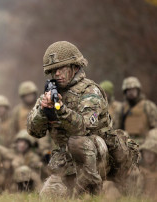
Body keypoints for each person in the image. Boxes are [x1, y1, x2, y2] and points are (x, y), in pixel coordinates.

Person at [27, 41, 139, 196]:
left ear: (75, 67)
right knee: (48, 196)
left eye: (61, 68)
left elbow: (83, 127)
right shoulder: (49, 95)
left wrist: (61, 109)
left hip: (98, 158)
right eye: (53, 70)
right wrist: (43, 110)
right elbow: (34, 132)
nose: (57, 74)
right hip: (66, 162)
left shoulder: (91, 91)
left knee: (78, 141)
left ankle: (92, 189)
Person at [120, 77, 157, 144]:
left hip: (145, 143)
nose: (131, 93)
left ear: (138, 90)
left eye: (133, 90)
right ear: (125, 92)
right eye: (128, 90)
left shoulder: (148, 106)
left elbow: (155, 128)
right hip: (127, 144)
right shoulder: (122, 108)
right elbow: (117, 128)